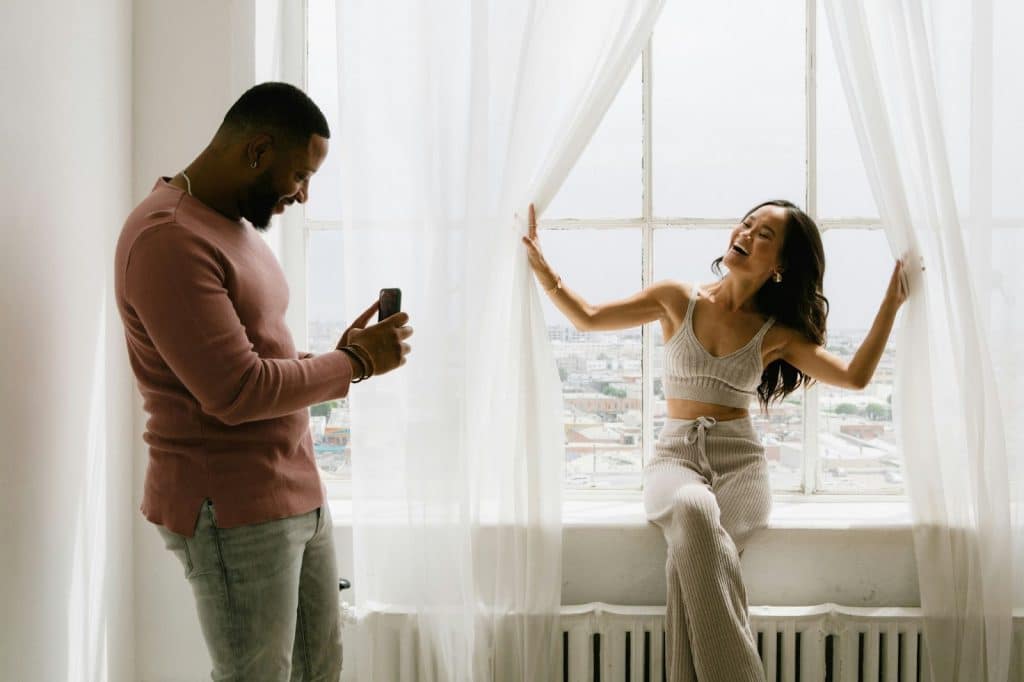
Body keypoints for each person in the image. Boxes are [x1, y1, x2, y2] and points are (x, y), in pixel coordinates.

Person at [523, 200, 908, 682]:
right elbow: (589, 317)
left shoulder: (776, 333)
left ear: (781, 265)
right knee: (692, 509)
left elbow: (854, 378)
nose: (745, 232)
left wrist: (891, 304)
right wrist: (543, 270)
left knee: (688, 573)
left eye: (764, 233)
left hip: (740, 468)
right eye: (747, 223)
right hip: (675, 461)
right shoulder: (677, 298)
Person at [114, 82, 413, 681]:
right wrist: (354, 364)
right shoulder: (168, 237)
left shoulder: (232, 227)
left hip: (294, 488)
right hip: (233, 507)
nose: (302, 195)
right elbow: (236, 390)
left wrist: (341, 355)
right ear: (256, 152)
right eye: (299, 175)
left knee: (319, 671)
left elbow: (256, 353)